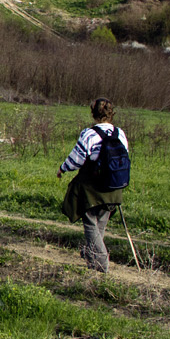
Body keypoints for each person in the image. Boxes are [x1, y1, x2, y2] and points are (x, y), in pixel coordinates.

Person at [56, 97, 130, 273]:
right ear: (111, 114)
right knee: (100, 225)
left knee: (90, 223)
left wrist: (62, 169)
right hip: (114, 187)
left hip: (93, 188)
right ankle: (92, 258)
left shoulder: (89, 134)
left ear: (93, 113)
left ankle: (101, 264)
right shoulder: (120, 133)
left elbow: (76, 160)